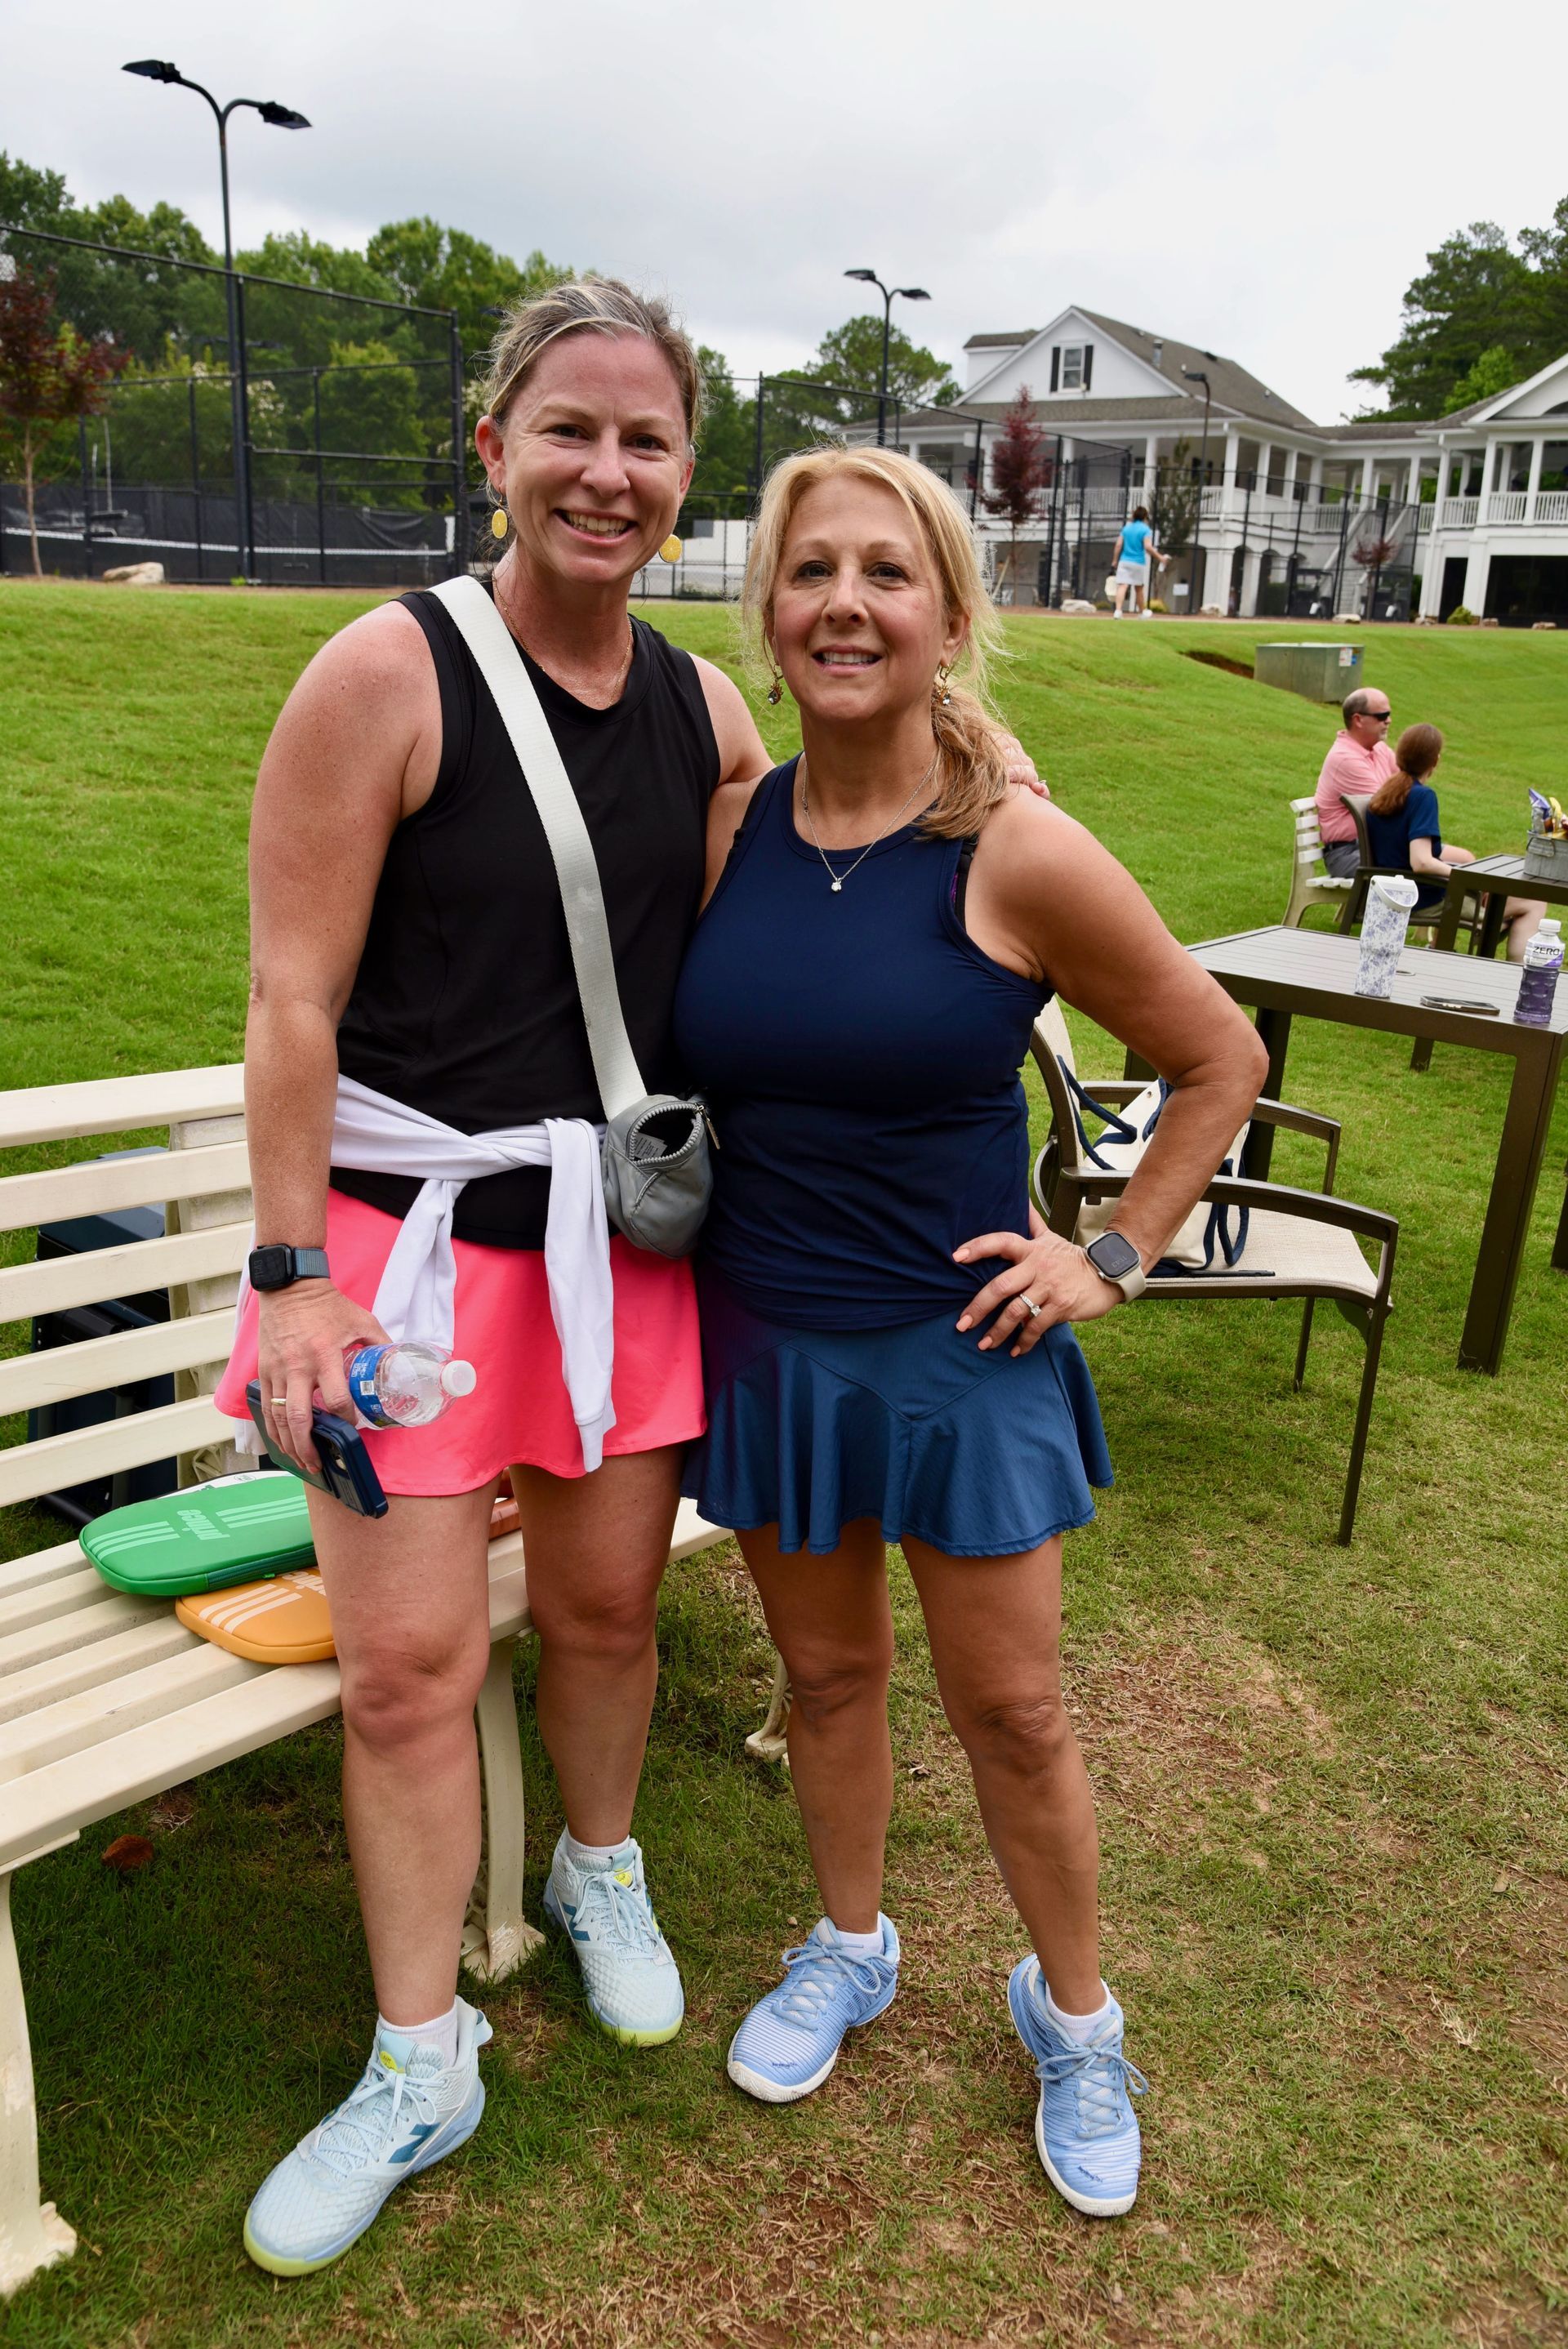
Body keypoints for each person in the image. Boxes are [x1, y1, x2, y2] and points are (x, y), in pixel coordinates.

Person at [217, 277, 1048, 2278]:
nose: (608, 471)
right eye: (568, 429)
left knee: (602, 1610)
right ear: (490, 441)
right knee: (412, 1668)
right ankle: (421, 2056)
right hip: (399, 1273)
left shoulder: (708, 710)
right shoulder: (383, 671)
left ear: (686, 475)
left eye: (647, 439)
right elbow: (289, 994)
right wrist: (290, 1278)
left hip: (620, 1256)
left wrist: (979, 748)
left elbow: (854, 842)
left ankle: (603, 1870)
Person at [673, 447, 1266, 2218]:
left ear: (947, 614)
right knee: (829, 1677)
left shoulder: (1017, 845)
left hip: (962, 1358)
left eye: (887, 573)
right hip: (772, 1340)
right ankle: (850, 1941)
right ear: (771, 611)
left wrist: (1117, 1251)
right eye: (810, 571)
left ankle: (1074, 2012)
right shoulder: (734, 829)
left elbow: (1217, 1055)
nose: (845, 602)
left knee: (1014, 1712)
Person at [1365, 724, 1546, 953]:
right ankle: (1517, 977)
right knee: (1533, 903)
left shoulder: (1386, 793)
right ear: (1436, 761)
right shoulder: (1422, 796)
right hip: (1424, 899)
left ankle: (1458, 942)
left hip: (1394, 891)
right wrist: (1466, 877)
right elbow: (1421, 862)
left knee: (1499, 911)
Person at [1313, 684, 1396, 876]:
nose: (1389, 721)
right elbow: (1387, 809)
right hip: (1348, 853)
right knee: (1417, 869)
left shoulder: (1379, 749)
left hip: (1370, 847)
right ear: (1358, 720)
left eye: (1389, 714)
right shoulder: (1346, 759)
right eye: (1382, 716)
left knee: (1455, 862)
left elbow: (1408, 784)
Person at [1110, 506, 1165, 617]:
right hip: (1138, 562)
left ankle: (1118, 611)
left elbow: (1118, 545)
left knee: (1122, 586)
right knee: (1139, 588)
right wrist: (1160, 557)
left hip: (1124, 561)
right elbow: (1148, 547)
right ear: (1145, 517)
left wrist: (1115, 560)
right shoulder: (1145, 530)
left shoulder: (1126, 528)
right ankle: (1142, 612)